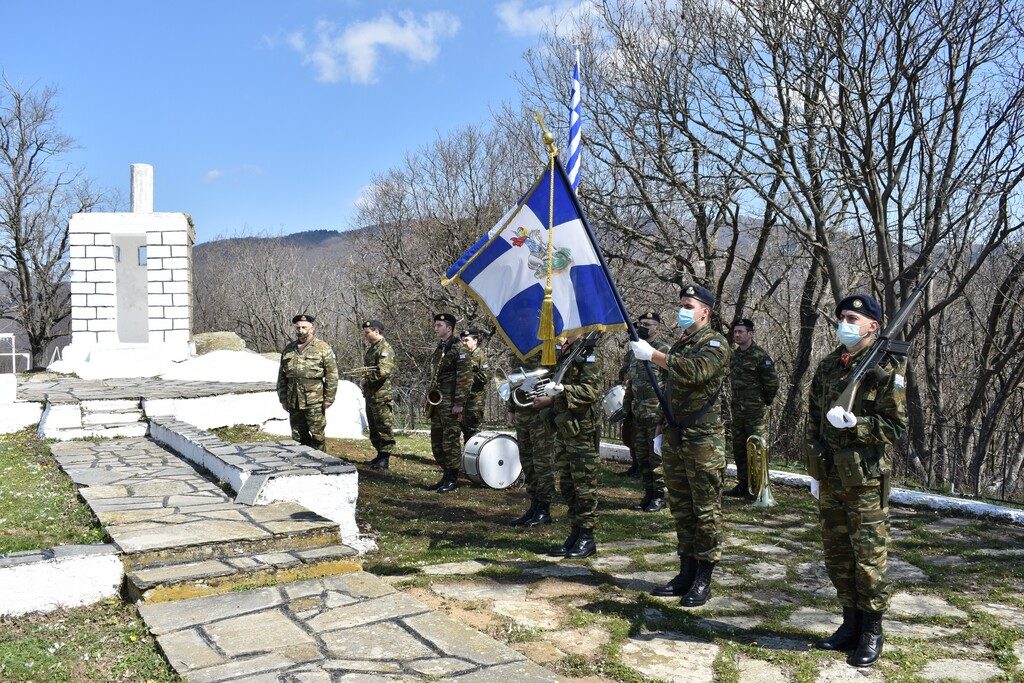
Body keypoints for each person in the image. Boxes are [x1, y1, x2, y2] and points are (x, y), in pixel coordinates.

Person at [806, 294, 906, 668]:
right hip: (830, 476)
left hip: (864, 480)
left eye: (852, 318)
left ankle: (871, 631)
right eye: (842, 317)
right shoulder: (830, 364)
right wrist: (814, 470)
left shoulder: (886, 369)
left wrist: (857, 425)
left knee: (868, 559)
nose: (844, 323)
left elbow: (895, 427)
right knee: (837, 555)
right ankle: (849, 623)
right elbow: (813, 416)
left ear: (872, 327)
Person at [630, 283, 731, 607]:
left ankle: (704, 577)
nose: (683, 310)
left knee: (705, 511)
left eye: (690, 305)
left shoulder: (714, 343)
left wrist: (655, 356)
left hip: (703, 440)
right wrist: (660, 426)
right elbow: (672, 391)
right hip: (675, 436)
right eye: (682, 305)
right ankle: (686, 571)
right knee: (682, 510)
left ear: (705, 311)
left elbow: (696, 373)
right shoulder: (683, 343)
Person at [534, 330, 603, 559]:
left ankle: (587, 536)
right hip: (565, 428)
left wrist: (563, 391)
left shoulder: (588, 354)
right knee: (568, 483)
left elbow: (591, 391)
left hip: (582, 430)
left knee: (584, 484)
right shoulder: (568, 353)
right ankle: (575, 531)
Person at [726, 318, 779, 499]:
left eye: (741, 332)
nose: (737, 335)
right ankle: (744, 485)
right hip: (738, 411)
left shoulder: (760, 356)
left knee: (756, 449)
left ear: (750, 334)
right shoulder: (734, 356)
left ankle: (758, 488)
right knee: (739, 448)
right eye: (735, 332)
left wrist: (762, 402)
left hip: (755, 412)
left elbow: (772, 383)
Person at [623, 311, 670, 511]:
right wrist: (627, 410)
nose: (643, 326)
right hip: (638, 415)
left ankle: (660, 496)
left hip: (656, 416)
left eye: (648, 324)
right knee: (642, 457)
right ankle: (648, 493)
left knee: (656, 459)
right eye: (641, 323)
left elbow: (670, 387)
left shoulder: (663, 351)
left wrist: (664, 417)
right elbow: (629, 383)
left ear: (657, 328)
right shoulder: (633, 353)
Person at [506, 352, 557, 527]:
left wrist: (550, 400)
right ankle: (534, 505)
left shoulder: (551, 349)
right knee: (527, 461)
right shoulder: (518, 351)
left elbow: (559, 381)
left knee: (542, 463)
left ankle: (544, 509)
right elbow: (514, 382)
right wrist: (511, 408)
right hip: (522, 413)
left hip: (541, 416)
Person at [425, 313, 473, 493]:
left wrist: (459, 402)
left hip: (451, 402)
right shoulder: (441, 347)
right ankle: (445, 475)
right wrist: (427, 394)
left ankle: (452, 478)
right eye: (436, 325)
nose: (436, 328)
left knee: (450, 440)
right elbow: (435, 375)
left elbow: (465, 378)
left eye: (439, 325)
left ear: (449, 328)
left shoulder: (459, 349)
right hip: (438, 401)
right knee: (437, 440)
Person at [277, 314, 339, 452]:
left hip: (314, 399)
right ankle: (302, 463)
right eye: (298, 327)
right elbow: (282, 376)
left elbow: (332, 375)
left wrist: (329, 398)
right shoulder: (289, 349)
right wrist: (282, 398)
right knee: (298, 435)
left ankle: (321, 464)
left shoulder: (323, 348)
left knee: (317, 435)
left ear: (312, 329)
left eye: (304, 327)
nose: (300, 330)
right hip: (294, 400)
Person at [361, 319, 397, 470]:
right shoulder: (373, 348)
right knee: (374, 427)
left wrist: (367, 380)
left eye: (368, 333)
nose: (366, 336)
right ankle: (379, 454)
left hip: (381, 395)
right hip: (371, 394)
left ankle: (385, 457)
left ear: (377, 331)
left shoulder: (384, 349)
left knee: (383, 425)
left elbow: (383, 371)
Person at [460, 327, 490, 441]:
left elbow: (485, 377)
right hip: (463, 400)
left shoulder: (480, 356)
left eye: (466, 340)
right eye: (462, 340)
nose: (464, 343)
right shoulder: (463, 355)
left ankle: (474, 457)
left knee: (474, 432)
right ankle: (467, 456)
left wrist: (469, 374)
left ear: (475, 340)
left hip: (475, 401)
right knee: (464, 430)